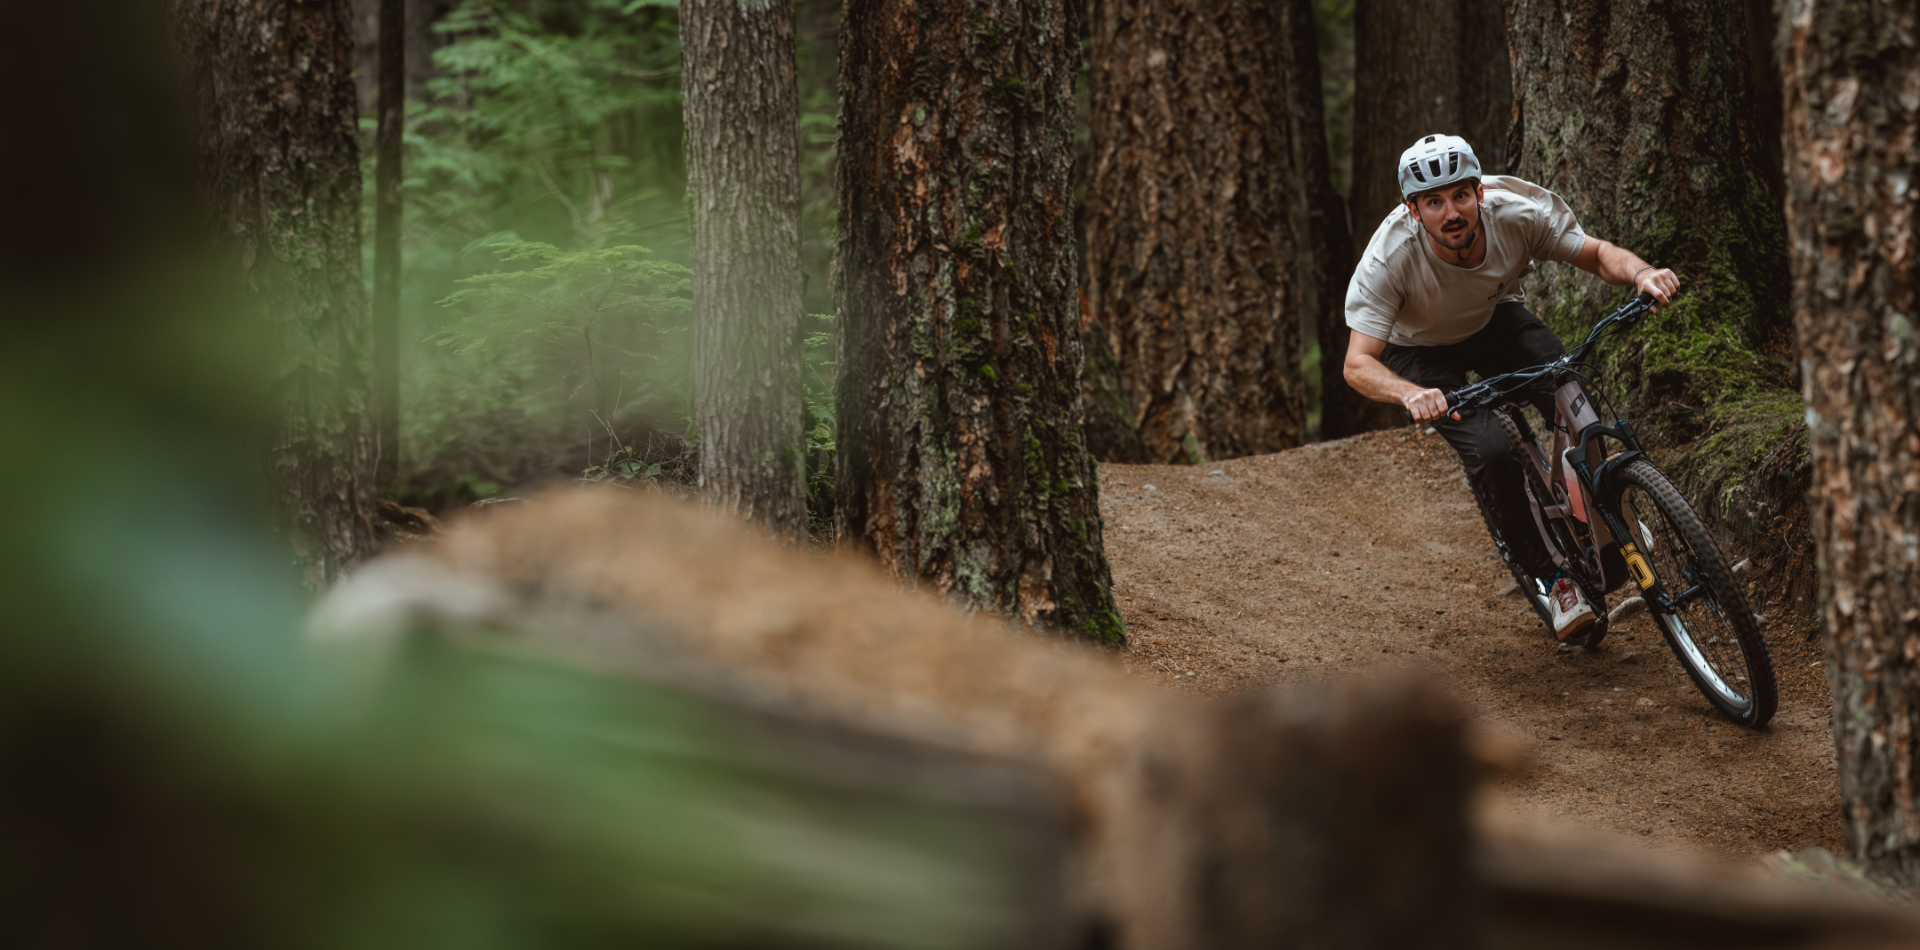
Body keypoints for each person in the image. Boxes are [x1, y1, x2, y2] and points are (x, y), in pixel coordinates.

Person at [1342, 133, 1680, 640]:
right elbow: (1357, 363)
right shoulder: (1389, 259)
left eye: (1460, 195)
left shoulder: (1516, 215)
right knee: (1493, 451)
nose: (1450, 212)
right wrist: (1410, 394)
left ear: (1479, 193)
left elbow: (1597, 254)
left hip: (1493, 317)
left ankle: (1603, 508)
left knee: (1571, 394)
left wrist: (1643, 274)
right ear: (1413, 211)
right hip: (1419, 350)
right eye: (1434, 202)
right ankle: (1555, 580)